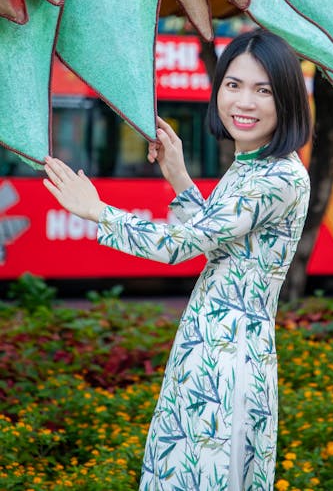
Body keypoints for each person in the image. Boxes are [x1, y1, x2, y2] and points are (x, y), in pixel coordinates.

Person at [44, 29, 312, 491]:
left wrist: (96, 210)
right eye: (233, 85)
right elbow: (218, 244)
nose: (244, 102)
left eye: (262, 90)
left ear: (286, 98)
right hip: (209, 348)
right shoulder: (253, 165)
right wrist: (179, 177)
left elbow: (180, 246)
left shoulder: (278, 178)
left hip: (226, 362)